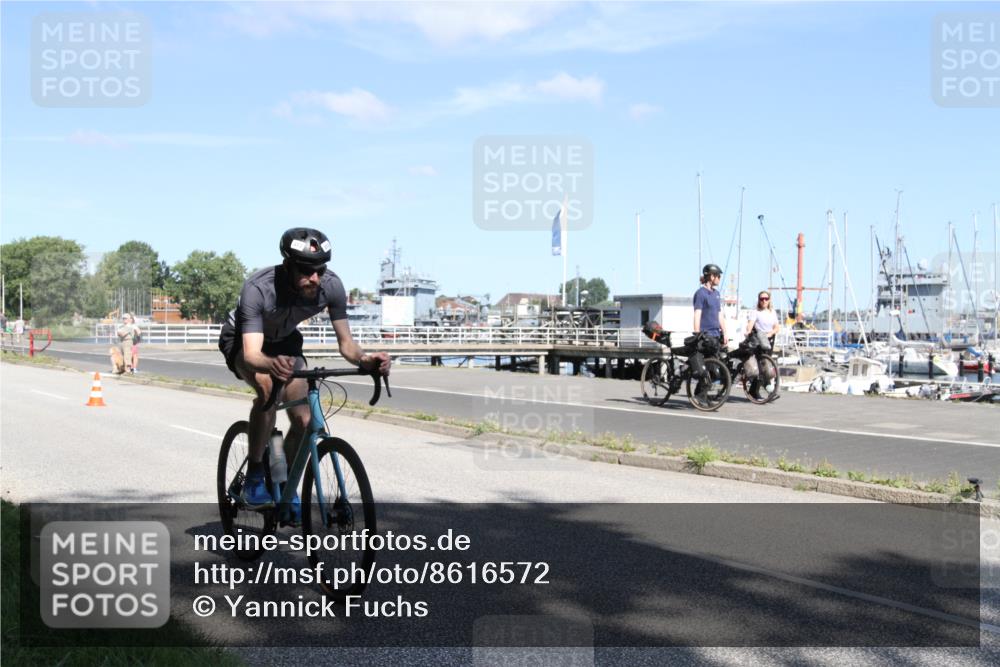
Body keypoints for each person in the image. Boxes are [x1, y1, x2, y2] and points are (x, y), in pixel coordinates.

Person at [218, 228, 391, 516]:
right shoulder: (259, 288)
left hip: (285, 340)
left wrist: (366, 359)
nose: (315, 277)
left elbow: (346, 344)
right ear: (288, 265)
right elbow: (252, 354)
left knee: (305, 419)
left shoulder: (331, 286)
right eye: (307, 270)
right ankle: (256, 474)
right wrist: (270, 365)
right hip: (243, 340)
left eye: (320, 270)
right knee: (266, 388)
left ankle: (281, 480)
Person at [692, 263, 727, 348]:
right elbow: (697, 314)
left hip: (716, 335)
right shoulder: (701, 293)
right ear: (712, 276)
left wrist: (725, 332)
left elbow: (719, 314)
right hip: (705, 336)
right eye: (718, 276)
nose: (719, 279)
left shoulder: (717, 294)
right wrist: (697, 334)